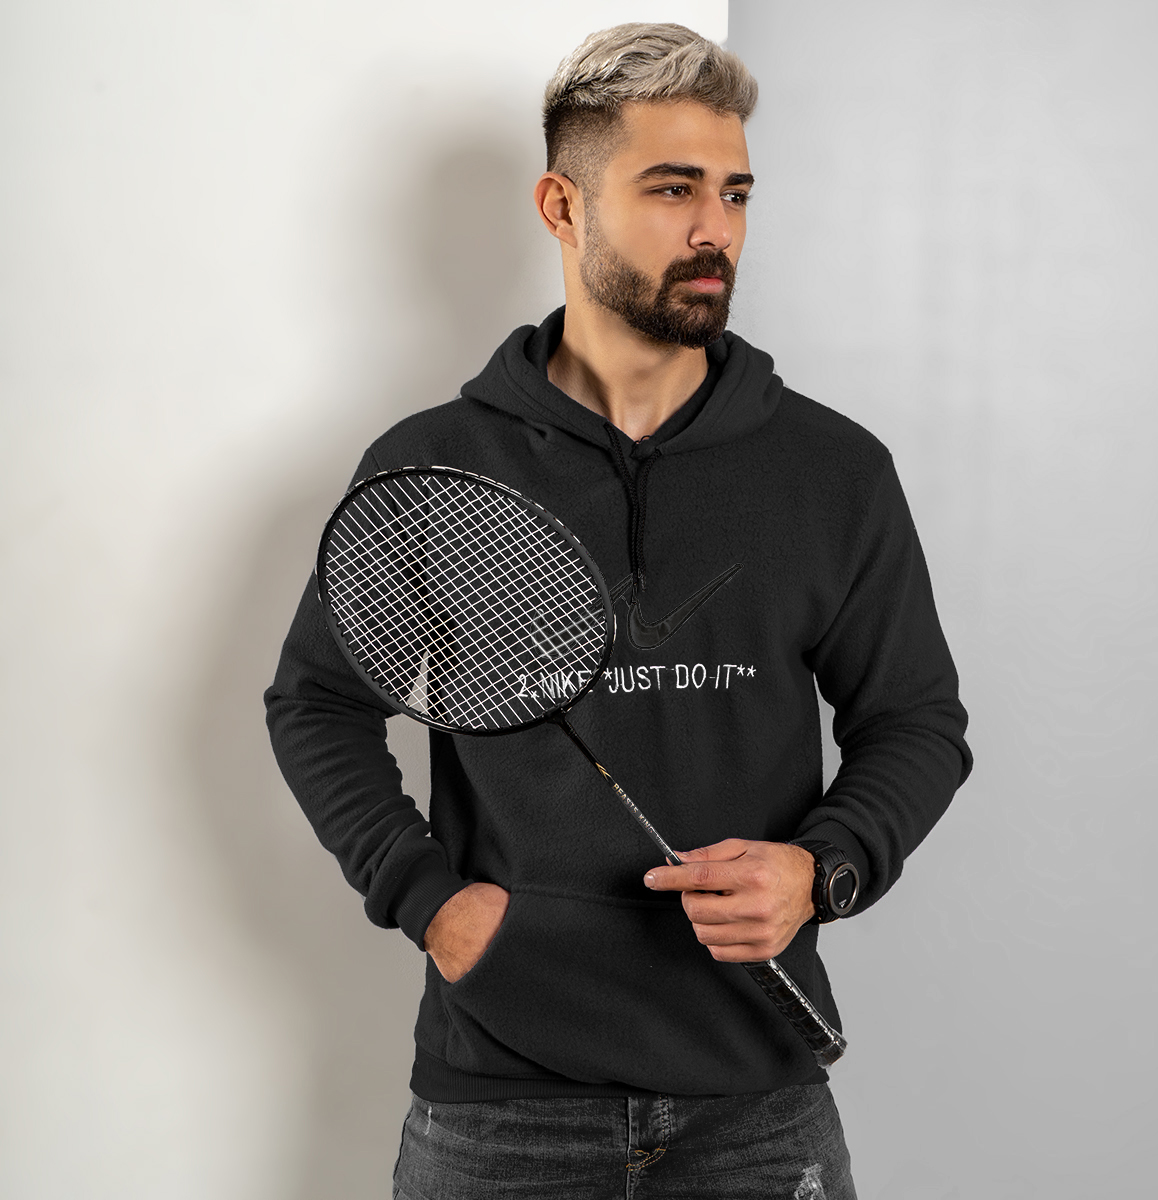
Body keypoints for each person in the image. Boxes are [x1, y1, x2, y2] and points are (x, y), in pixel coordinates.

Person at [265, 22, 971, 1200]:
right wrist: (428, 901)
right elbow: (318, 706)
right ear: (563, 206)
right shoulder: (434, 465)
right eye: (672, 189)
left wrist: (821, 871)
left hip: (756, 1106)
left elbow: (915, 722)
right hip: (500, 1108)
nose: (715, 230)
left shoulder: (831, 471)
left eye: (735, 193)